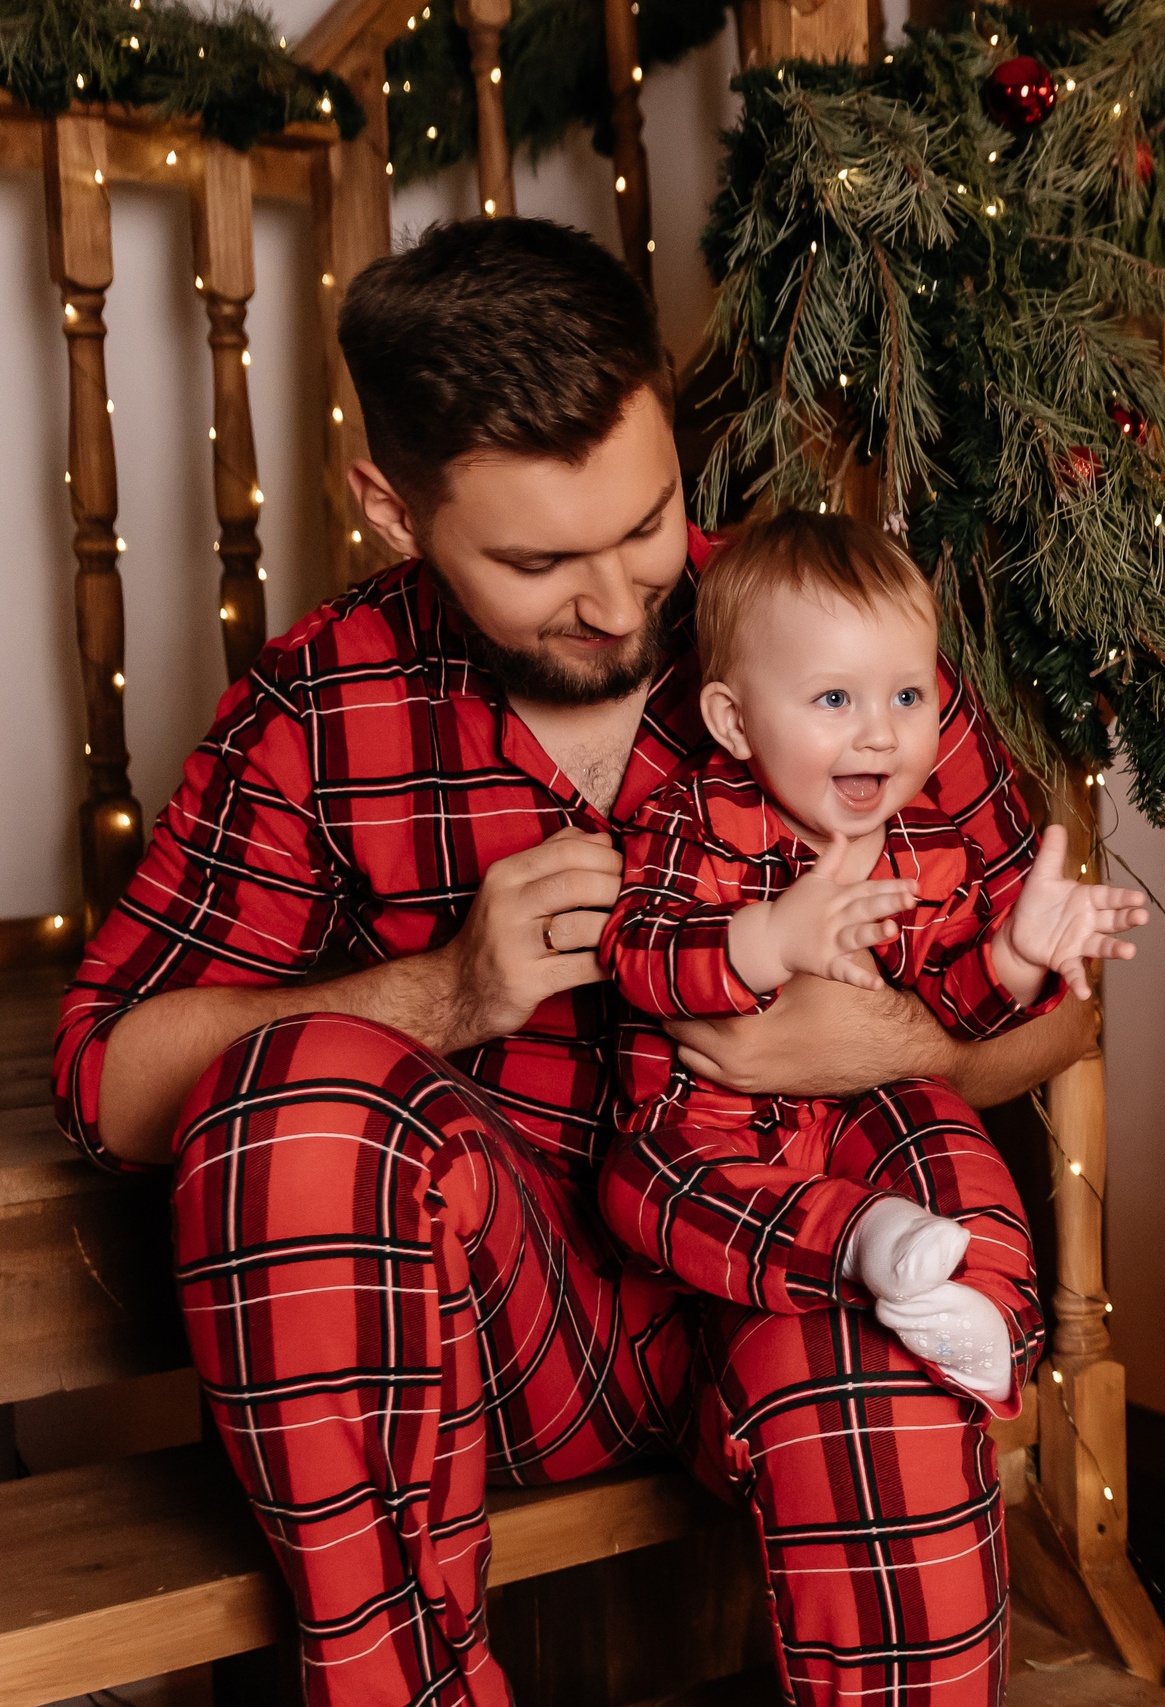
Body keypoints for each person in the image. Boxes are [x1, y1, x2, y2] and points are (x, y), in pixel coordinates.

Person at [50, 217, 1090, 1706]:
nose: (619, 600)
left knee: (903, 1261)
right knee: (300, 1094)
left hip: (788, 1258)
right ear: (393, 510)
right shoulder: (323, 703)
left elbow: (1051, 1017)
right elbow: (107, 1081)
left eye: (647, 521)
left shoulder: (824, 639)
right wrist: (441, 990)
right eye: (540, 559)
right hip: (500, 1317)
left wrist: (891, 1045)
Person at [589, 513, 1148, 1685]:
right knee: (643, 1187)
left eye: (907, 697)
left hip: (857, 1119)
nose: (883, 734)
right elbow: (639, 952)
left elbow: (946, 1015)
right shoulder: (696, 820)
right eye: (834, 701)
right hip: (716, 1134)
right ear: (736, 719)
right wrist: (763, 938)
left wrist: (1013, 961)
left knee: (946, 1127)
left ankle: (986, 1314)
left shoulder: (921, 844)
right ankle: (870, 1248)